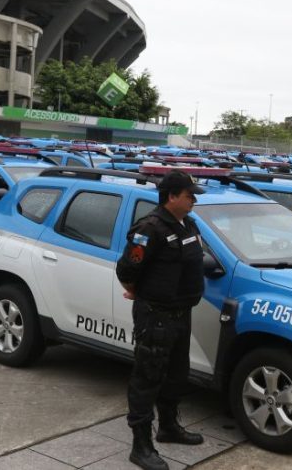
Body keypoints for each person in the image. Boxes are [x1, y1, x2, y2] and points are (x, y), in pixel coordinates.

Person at [116, 170, 206, 470]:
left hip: (182, 314)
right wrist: (140, 293)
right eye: (189, 194)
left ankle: (169, 427)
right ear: (171, 196)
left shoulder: (188, 223)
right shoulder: (150, 228)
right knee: (147, 379)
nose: (194, 198)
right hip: (156, 316)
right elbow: (128, 269)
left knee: (177, 374)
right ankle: (141, 446)